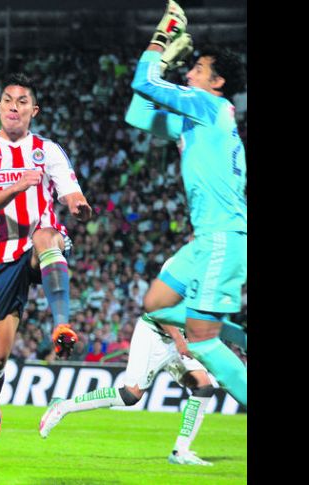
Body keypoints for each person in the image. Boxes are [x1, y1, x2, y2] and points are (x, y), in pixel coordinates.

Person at [123, 0, 247, 407]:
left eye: (198, 69)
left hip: (223, 238)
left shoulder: (209, 106)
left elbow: (144, 82)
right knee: (155, 305)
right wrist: (161, 69)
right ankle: (228, 329)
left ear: (218, 82)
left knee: (200, 340)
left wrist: (161, 41)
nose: (190, 73)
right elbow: (138, 113)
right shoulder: (199, 121)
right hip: (207, 240)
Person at [0, 73, 92, 465]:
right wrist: (19, 185)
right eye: (8, 100)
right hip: (3, 252)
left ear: (33, 110)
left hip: (40, 241)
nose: (14, 107)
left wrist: (78, 205)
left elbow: (71, 191)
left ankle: (61, 325)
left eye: (22, 102)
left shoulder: (47, 150)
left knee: (47, 236)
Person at [39, 313, 217, 466]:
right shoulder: (181, 280)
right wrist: (180, 339)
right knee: (129, 396)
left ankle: (180, 452)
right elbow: (160, 309)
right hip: (154, 334)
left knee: (203, 387)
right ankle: (63, 407)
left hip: (177, 339)